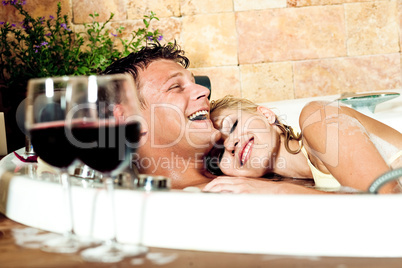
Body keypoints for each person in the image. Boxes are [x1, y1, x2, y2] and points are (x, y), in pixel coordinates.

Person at [203, 95, 402, 194]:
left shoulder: (316, 119)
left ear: (266, 114)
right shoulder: (296, 183)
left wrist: (278, 192)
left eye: (233, 125)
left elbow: (384, 210)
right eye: (218, 154)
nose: (230, 143)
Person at [103, 42, 221, 189]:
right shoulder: (143, 206)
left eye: (193, 82)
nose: (203, 90)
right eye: (175, 86)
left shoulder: (249, 177)